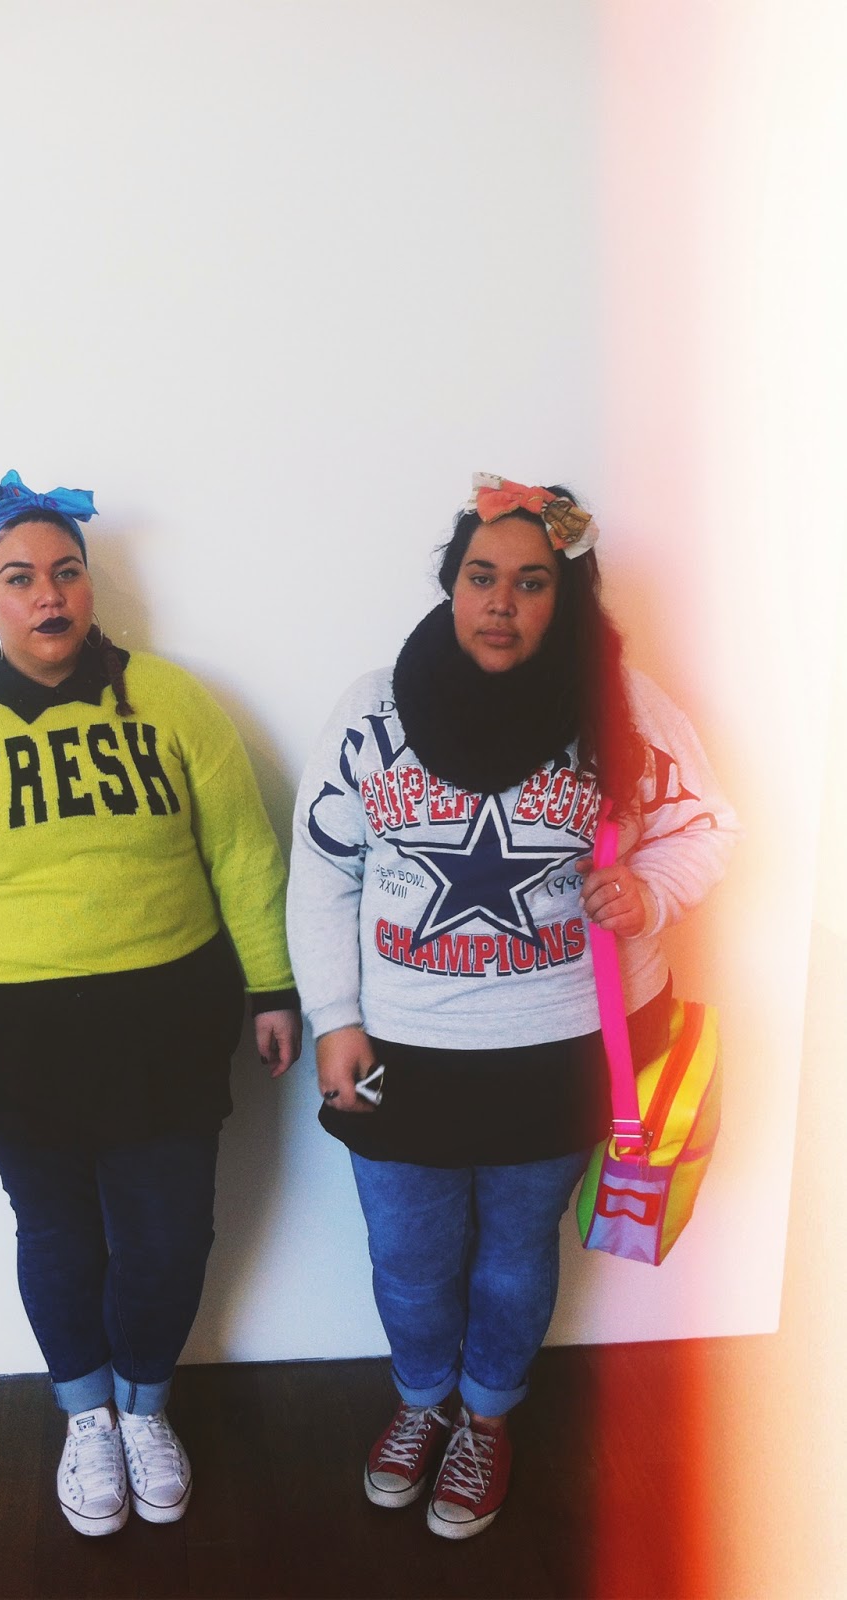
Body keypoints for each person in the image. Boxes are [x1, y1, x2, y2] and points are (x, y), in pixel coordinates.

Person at [286, 473, 736, 1539]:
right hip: (398, 1054)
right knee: (407, 1258)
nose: (500, 602)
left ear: (565, 596)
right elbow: (322, 870)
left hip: (559, 1052)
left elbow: (706, 826)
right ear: (449, 585)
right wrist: (334, 1016)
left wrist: (648, 890)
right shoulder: (372, 709)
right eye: (480, 576)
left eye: (532, 583)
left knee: (516, 1257)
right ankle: (419, 1402)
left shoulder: (620, 708)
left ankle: (485, 1417)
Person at [0, 470, 300, 1537]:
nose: (47, 594)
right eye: (19, 577)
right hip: (9, 1038)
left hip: (166, 1023)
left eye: (66, 572)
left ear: (90, 588)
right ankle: (86, 1416)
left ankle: (145, 1407)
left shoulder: (174, 701)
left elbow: (245, 855)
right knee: (58, 1234)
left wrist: (273, 985)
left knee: (169, 1235)